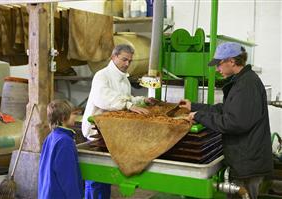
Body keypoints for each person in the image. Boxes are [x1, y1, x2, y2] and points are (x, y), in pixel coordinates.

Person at [180, 42, 273, 199]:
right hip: (245, 158)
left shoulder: (246, 85)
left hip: (247, 162)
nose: (217, 69)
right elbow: (225, 109)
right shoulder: (242, 81)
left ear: (231, 61)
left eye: (219, 64)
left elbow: (233, 122)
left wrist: (199, 116)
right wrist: (193, 107)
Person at [82, 44, 157, 199]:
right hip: (96, 132)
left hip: (112, 133)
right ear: (113, 57)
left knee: (105, 176)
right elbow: (104, 99)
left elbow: (126, 98)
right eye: (124, 60)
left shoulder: (124, 80)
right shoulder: (102, 76)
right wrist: (128, 105)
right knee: (97, 177)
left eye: (129, 60)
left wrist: (142, 100)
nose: (127, 64)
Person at [38, 99, 83, 199]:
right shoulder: (65, 141)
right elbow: (68, 178)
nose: (76, 116)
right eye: (73, 114)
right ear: (63, 118)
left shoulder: (50, 137)